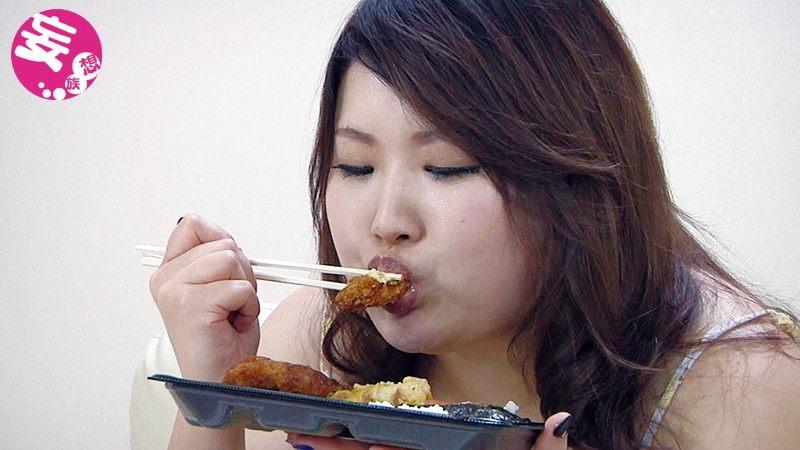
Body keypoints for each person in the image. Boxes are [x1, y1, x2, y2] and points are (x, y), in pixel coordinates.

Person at [148, 1, 800, 449]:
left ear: (574, 178)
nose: (386, 222)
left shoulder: (746, 391)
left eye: (448, 167)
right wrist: (211, 394)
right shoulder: (320, 335)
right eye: (356, 166)